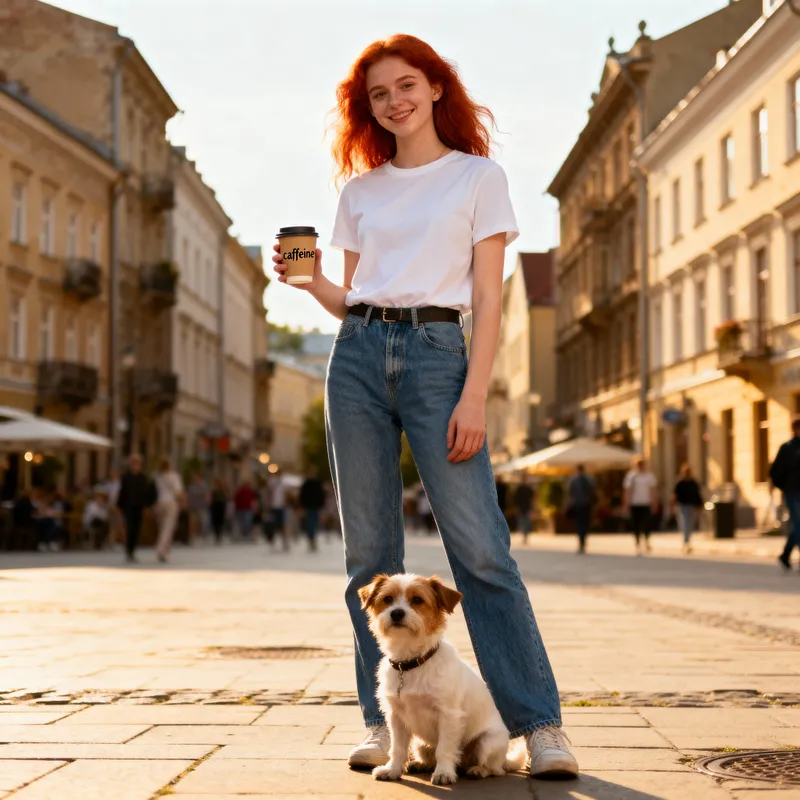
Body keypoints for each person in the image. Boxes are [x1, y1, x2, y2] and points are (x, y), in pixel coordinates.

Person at [272, 34, 577, 778]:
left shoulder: (478, 178)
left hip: (442, 360)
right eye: (379, 94)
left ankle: (539, 727)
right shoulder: (360, 192)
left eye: (406, 85)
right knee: (366, 558)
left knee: (481, 552)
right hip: (358, 359)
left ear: (436, 87)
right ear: (367, 108)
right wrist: (309, 285)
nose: (395, 101)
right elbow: (355, 298)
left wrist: (475, 393)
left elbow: (490, 301)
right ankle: (384, 724)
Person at [770, 415, 800, 571]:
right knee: (798, 523)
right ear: (795, 430)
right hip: (793, 492)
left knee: (797, 525)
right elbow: (775, 471)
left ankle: (785, 554)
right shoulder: (787, 448)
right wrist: (784, 487)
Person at [116, 454, 152, 564]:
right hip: (128, 506)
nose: (135, 465)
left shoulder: (143, 477)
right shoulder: (126, 477)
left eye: (137, 463)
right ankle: (128, 550)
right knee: (130, 527)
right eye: (133, 463)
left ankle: (132, 550)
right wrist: (119, 506)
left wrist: (146, 506)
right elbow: (122, 492)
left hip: (139, 507)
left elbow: (147, 493)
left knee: (136, 529)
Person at [624, 457, 658, 554]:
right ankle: (638, 542)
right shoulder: (631, 476)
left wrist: (654, 502)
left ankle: (647, 540)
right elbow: (627, 490)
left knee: (647, 523)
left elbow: (653, 490)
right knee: (636, 524)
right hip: (635, 503)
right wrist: (627, 503)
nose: (641, 466)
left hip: (646, 503)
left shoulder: (649, 476)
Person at [153, 457, 184, 563]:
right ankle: (161, 549)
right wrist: (181, 501)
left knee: (162, 528)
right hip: (171, 503)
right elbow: (178, 491)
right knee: (168, 528)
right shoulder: (174, 476)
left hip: (159, 503)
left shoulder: (157, 476)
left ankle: (166, 551)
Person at [672, 464, 703, 555]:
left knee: (690, 524)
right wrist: (673, 506)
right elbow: (674, 495)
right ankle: (686, 542)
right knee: (685, 523)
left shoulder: (694, 483)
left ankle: (687, 541)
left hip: (692, 505)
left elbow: (697, 494)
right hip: (682, 506)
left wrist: (700, 505)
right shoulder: (680, 483)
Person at [566, 464, 597, 554]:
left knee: (580, 524)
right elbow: (593, 492)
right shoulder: (589, 480)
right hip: (585, 504)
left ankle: (581, 541)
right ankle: (582, 540)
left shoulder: (573, 480)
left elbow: (569, 493)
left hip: (578, 504)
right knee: (584, 524)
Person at [299, 467, 326, 552]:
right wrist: (302, 506)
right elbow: (302, 496)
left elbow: (322, 495)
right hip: (308, 507)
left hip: (316, 507)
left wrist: (321, 505)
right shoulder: (306, 484)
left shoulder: (318, 483)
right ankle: (311, 540)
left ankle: (313, 539)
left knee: (314, 524)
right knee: (309, 524)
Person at [269, 471, 290, 552]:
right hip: (274, 507)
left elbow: (287, 494)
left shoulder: (284, 483)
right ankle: (273, 539)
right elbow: (269, 493)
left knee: (284, 524)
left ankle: (285, 541)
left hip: (282, 507)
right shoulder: (272, 482)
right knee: (274, 524)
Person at [186, 473, 209, 545]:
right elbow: (188, 496)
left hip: (202, 507)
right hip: (193, 507)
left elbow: (207, 495)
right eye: (195, 478)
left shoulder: (204, 486)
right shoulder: (191, 487)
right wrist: (187, 503)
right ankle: (193, 537)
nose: (196, 479)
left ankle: (202, 535)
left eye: (197, 478)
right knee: (193, 523)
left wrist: (207, 501)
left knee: (202, 522)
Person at [513, 476, 535, 544]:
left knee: (526, 521)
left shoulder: (528, 488)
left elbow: (532, 498)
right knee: (523, 521)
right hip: (522, 507)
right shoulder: (521, 488)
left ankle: (525, 534)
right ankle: (524, 534)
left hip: (526, 507)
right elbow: (516, 498)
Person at [209, 477, 228, 545]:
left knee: (220, 521)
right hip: (215, 506)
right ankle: (217, 535)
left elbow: (227, 497)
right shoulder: (213, 490)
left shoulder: (223, 490)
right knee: (215, 522)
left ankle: (219, 535)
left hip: (221, 505)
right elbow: (211, 498)